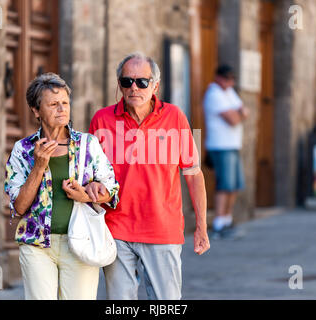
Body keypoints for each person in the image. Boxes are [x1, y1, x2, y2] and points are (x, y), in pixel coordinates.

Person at [89, 52, 210, 300]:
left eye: (142, 82)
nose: (134, 88)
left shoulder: (176, 117)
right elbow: (89, 175)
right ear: (119, 84)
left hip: (162, 229)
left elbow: (194, 174)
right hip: (115, 229)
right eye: (127, 81)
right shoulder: (101, 119)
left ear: (155, 85)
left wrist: (202, 226)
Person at [4, 73, 119, 300]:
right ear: (36, 111)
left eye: (65, 103)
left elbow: (111, 189)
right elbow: (18, 207)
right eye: (53, 104)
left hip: (80, 242)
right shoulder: (23, 150)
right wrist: (38, 167)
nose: (62, 109)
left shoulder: (88, 145)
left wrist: (88, 194)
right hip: (36, 244)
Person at [203, 65, 249, 238]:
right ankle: (218, 223)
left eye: (232, 79)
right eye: (227, 79)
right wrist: (240, 114)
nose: (230, 82)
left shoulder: (228, 93)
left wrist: (240, 114)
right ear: (219, 78)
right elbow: (233, 119)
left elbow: (243, 110)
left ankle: (227, 219)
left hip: (232, 145)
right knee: (224, 185)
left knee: (235, 185)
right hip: (220, 145)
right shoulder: (214, 94)